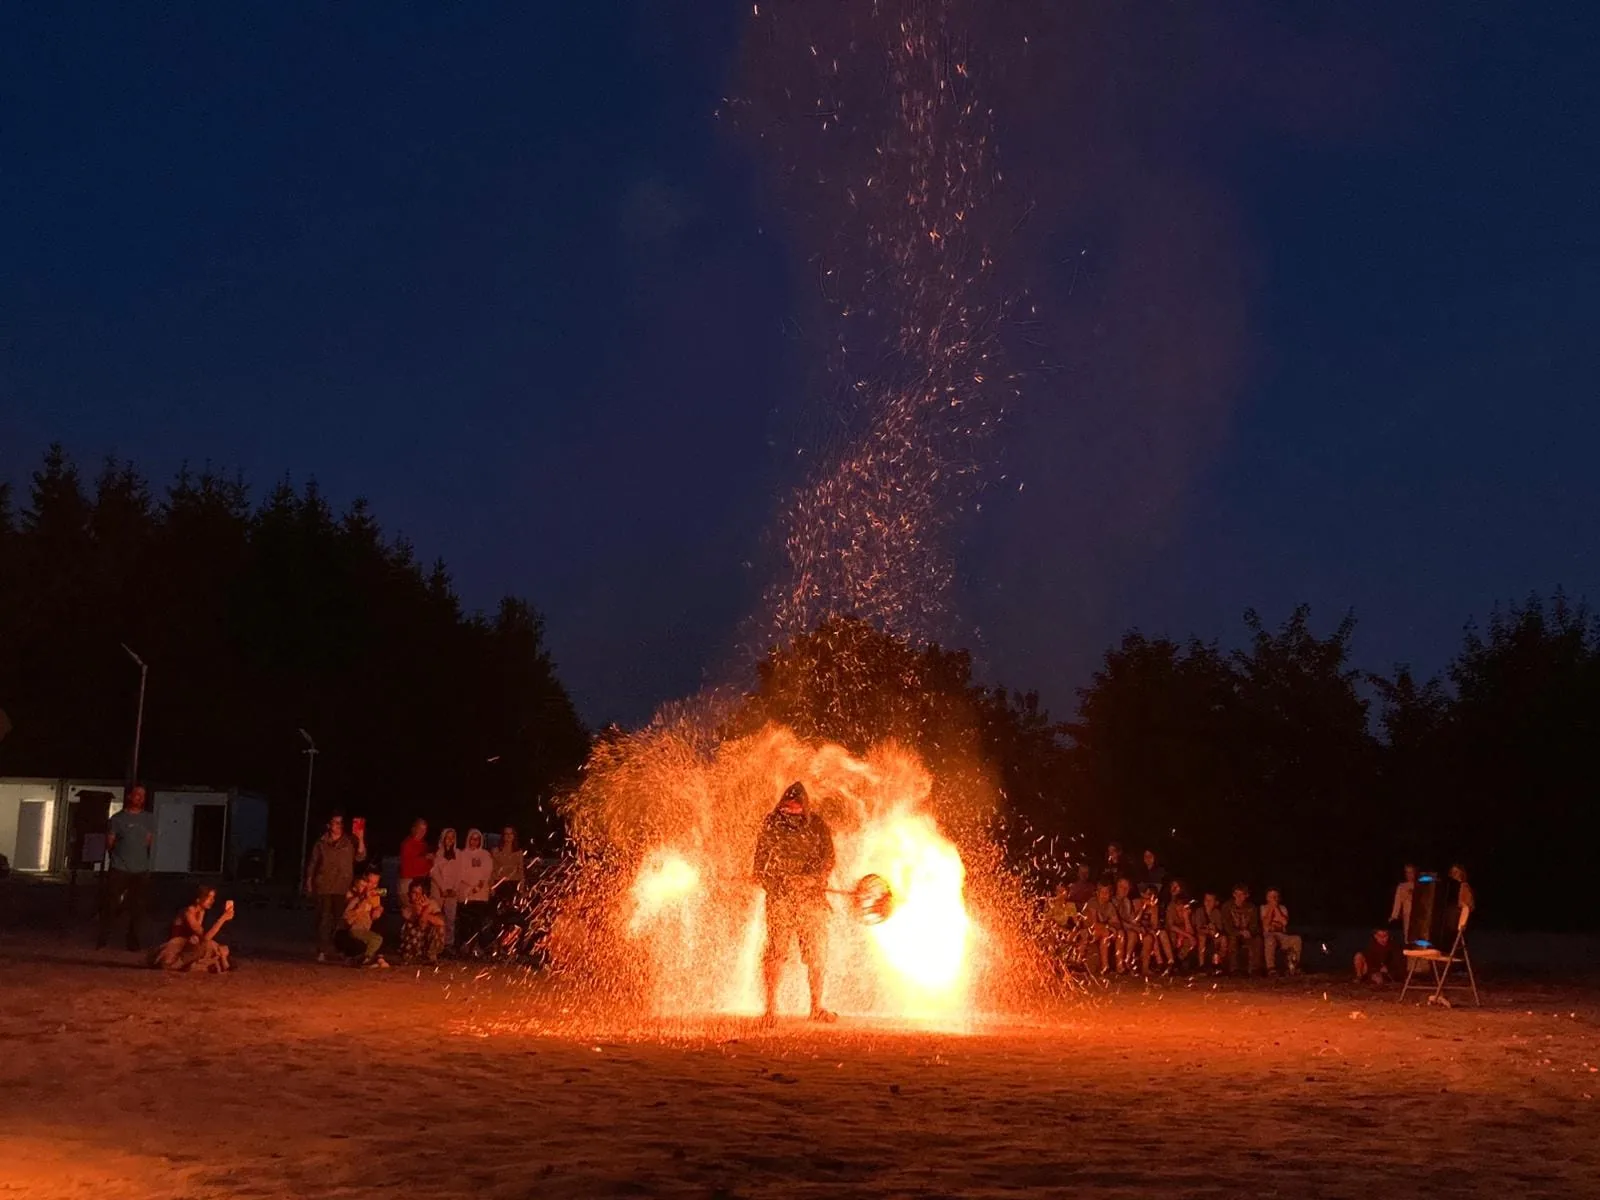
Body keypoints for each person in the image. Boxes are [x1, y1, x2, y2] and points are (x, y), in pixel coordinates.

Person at [753, 781, 836, 1023]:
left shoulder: (818, 826)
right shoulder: (771, 823)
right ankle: (770, 1010)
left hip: (812, 900)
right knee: (776, 952)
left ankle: (816, 1008)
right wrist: (772, 881)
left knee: (817, 955)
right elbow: (759, 863)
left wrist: (811, 879)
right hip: (780, 900)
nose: (789, 813)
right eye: (786, 807)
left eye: (794, 808)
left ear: (804, 807)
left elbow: (828, 860)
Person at [98, 785, 156, 951]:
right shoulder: (117, 819)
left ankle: (133, 940)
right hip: (119, 867)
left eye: (142, 795)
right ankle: (103, 937)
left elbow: (148, 841)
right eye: (137, 794)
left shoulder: (148, 819)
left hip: (141, 869)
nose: (140, 798)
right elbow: (110, 842)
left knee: (138, 907)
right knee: (110, 903)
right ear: (130, 796)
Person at [305, 813, 367, 963]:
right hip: (324, 885)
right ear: (329, 825)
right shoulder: (321, 843)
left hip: (342, 886)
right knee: (324, 919)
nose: (338, 826)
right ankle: (322, 950)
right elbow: (313, 863)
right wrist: (308, 881)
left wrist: (360, 837)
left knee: (339, 920)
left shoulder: (349, 841)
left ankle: (338, 950)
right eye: (335, 823)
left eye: (341, 823)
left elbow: (361, 856)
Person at [153, 885, 234, 972]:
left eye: (213, 898)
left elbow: (201, 936)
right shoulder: (188, 911)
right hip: (176, 949)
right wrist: (222, 919)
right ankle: (212, 963)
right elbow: (205, 937)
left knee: (213, 945)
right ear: (198, 899)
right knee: (208, 945)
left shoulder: (201, 911)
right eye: (209, 897)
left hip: (187, 947)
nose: (212, 901)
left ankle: (216, 962)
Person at [339, 867, 388, 968]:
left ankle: (373, 956)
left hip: (364, 928)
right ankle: (359, 957)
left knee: (380, 926)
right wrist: (363, 900)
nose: (372, 886)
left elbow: (375, 913)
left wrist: (378, 910)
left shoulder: (373, 894)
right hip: (351, 930)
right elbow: (347, 917)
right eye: (370, 882)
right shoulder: (353, 896)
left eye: (376, 883)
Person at [455, 829, 495, 954]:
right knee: (466, 921)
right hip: (465, 892)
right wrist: (469, 886)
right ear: (468, 839)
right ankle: (465, 945)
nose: (475, 841)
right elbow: (459, 872)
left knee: (478, 921)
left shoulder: (485, 855)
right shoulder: (461, 854)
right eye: (473, 838)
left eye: (477, 839)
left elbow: (487, 872)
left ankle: (476, 945)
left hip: (480, 893)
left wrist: (480, 885)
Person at [399, 880, 446, 965]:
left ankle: (431, 956)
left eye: (419, 893)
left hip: (426, 941)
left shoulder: (431, 903)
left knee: (439, 928)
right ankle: (411, 957)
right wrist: (426, 910)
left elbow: (441, 922)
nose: (417, 896)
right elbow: (421, 924)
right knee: (412, 926)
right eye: (414, 893)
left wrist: (426, 911)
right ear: (410, 894)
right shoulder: (407, 908)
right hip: (413, 944)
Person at [429, 827, 462, 948]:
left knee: (450, 918)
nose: (450, 840)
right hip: (438, 888)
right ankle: (434, 943)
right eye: (448, 837)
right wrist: (442, 888)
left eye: (452, 837)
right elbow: (434, 872)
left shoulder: (458, 854)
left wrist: (454, 888)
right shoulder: (437, 853)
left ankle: (448, 944)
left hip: (452, 890)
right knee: (435, 915)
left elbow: (460, 872)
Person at [1260, 887, 1303, 975]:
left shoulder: (1283, 908)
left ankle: (1294, 966)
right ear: (1267, 898)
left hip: (1282, 935)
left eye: (1275, 896)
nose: (1274, 899)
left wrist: (1276, 908)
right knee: (1270, 940)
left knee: (1296, 939)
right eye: (1271, 896)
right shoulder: (1263, 908)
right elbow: (1266, 925)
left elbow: (1284, 922)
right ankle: (1271, 968)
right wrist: (1271, 909)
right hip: (1269, 935)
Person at [1131, 883, 1172, 974]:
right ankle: (1159, 961)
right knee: (1152, 935)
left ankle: (1169, 962)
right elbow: (1134, 921)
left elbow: (1154, 924)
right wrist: (1143, 907)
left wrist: (1152, 909)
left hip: (1148, 931)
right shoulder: (1136, 902)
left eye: (1153, 895)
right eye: (1149, 894)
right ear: (1142, 894)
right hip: (1135, 930)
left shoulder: (1154, 907)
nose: (1151, 897)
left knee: (1158, 934)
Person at [1223, 885, 1264, 975]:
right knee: (1233, 940)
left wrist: (1249, 931)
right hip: (1233, 933)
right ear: (1233, 894)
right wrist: (1239, 932)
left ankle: (1255, 969)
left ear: (1247, 895)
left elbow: (1254, 924)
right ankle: (1234, 969)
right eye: (1236, 894)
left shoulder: (1251, 907)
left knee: (1257, 940)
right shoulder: (1227, 906)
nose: (1239, 897)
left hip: (1248, 934)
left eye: (1241, 895)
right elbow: (1227, 925)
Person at [1083, 882, 1123, 973]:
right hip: (1088, 930)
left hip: (1102, 931)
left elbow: (1117, 923)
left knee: (1120, 933)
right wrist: (1109, 927)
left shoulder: (1109, 906)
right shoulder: (1092, 902)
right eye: (1102, 892)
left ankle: (1120, 966)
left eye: (1107, 893)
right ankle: (1105, 965)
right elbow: (1094, 924)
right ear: (1097, 893)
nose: (1104, 895)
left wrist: (1113, 928)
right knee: (1106, 933)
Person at [1165, 879, 1198, 970]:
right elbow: (1170, 926)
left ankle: (1180, 961)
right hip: (1173, 932)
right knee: (1173, 936)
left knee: (1190, 940)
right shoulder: (1171, 906)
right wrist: (1185, 935)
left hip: (1183, 931)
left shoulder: (1188, 908)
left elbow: (1191, 931)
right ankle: (1171, 961)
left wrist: (1186, 917)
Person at [398, 819, 433, 903]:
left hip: (421, 883)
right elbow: (408, 865)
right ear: (414, 829)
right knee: (409, 910)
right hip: (408, 883)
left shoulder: (424, 844)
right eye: (420, 829)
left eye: (424, 829)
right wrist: (425, 858)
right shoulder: (406, 844)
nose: (422, 831)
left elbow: (429, 865)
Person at [1196, 892, 1229, 971]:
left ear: (1215, 902)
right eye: (1206, 900)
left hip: (1214, 934)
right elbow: (1198, 927)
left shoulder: (1217, 913)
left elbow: (1220, 928)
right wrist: (1208, 930)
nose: (1208, 902)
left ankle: (1218, 963)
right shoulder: (1199, 911)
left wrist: (1214, 930)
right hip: (1202, 935)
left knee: (1223, 939)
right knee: (1202, 939)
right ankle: (1202, 965)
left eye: (1210, 900)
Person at [491, 826, 526, 895]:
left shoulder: (518, 852)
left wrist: (521, 887)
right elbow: (492, 870)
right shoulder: (495, 851)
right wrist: (491, 887)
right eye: (506, 834)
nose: (508, 836)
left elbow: (521, 871)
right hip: (499, 883)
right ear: (503, 836)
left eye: (511, 834)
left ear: (514, 836)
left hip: (514, 884)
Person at [1389, 863, 1418, 941]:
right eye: (1407, 872)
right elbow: (1397, 902)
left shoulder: (1421, 885)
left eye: (1411, 872)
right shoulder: (1402, 886)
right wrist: (1394, 915)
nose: (1409, 875)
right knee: (1408, 936)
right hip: (1407, 915)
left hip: (1419, 916)